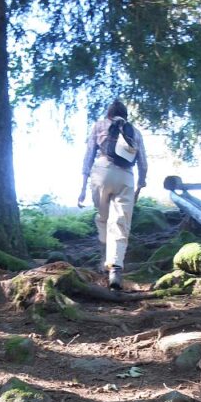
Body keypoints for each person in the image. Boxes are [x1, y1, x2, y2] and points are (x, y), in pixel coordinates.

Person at [78, 99, 148, 290]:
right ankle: (115, 269)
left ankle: (104, 258)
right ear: (126, 115)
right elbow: (142, 162)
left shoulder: (99, 126)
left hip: (101, 171)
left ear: (108, 114)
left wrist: (83, 188)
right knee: (120, 222)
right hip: (126, 176)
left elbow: (88, 155)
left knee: (103, 218)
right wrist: (140, 185)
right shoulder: (135, 132)